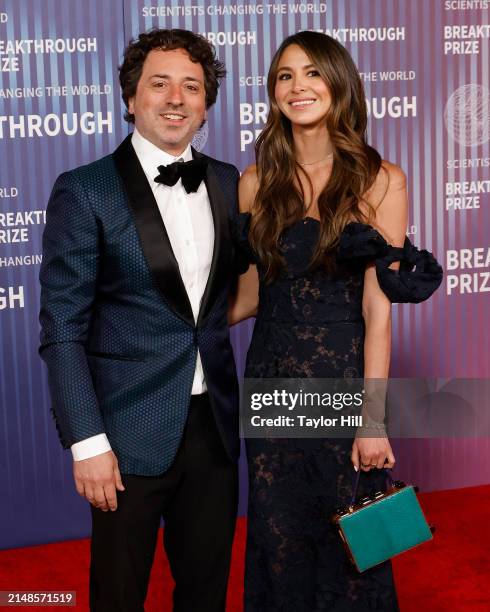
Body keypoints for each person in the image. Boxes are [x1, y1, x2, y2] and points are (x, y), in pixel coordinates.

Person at [230, 31, 442, 611]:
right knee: (279, 535)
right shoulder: (255, 183)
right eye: (284, 76)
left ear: (339, 83)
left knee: (352, 541)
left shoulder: (382, 179)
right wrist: (166, 325)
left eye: (312, 73)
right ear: (273, 93)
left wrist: (373, 420)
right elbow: (248, 298)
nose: (298, 87)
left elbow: (379, 311)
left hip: (342, 382)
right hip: (271, 379)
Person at [39, 29, 241, 612]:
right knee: (119, 593)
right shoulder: (85, 190)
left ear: (206, 104)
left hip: (215, 427)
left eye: (192, 87)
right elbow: (64, 328)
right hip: (125, 434)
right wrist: (87, 442)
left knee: (206, 591)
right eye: (160, 84)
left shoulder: (229, 181)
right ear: (130, 98)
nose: (176, 98)